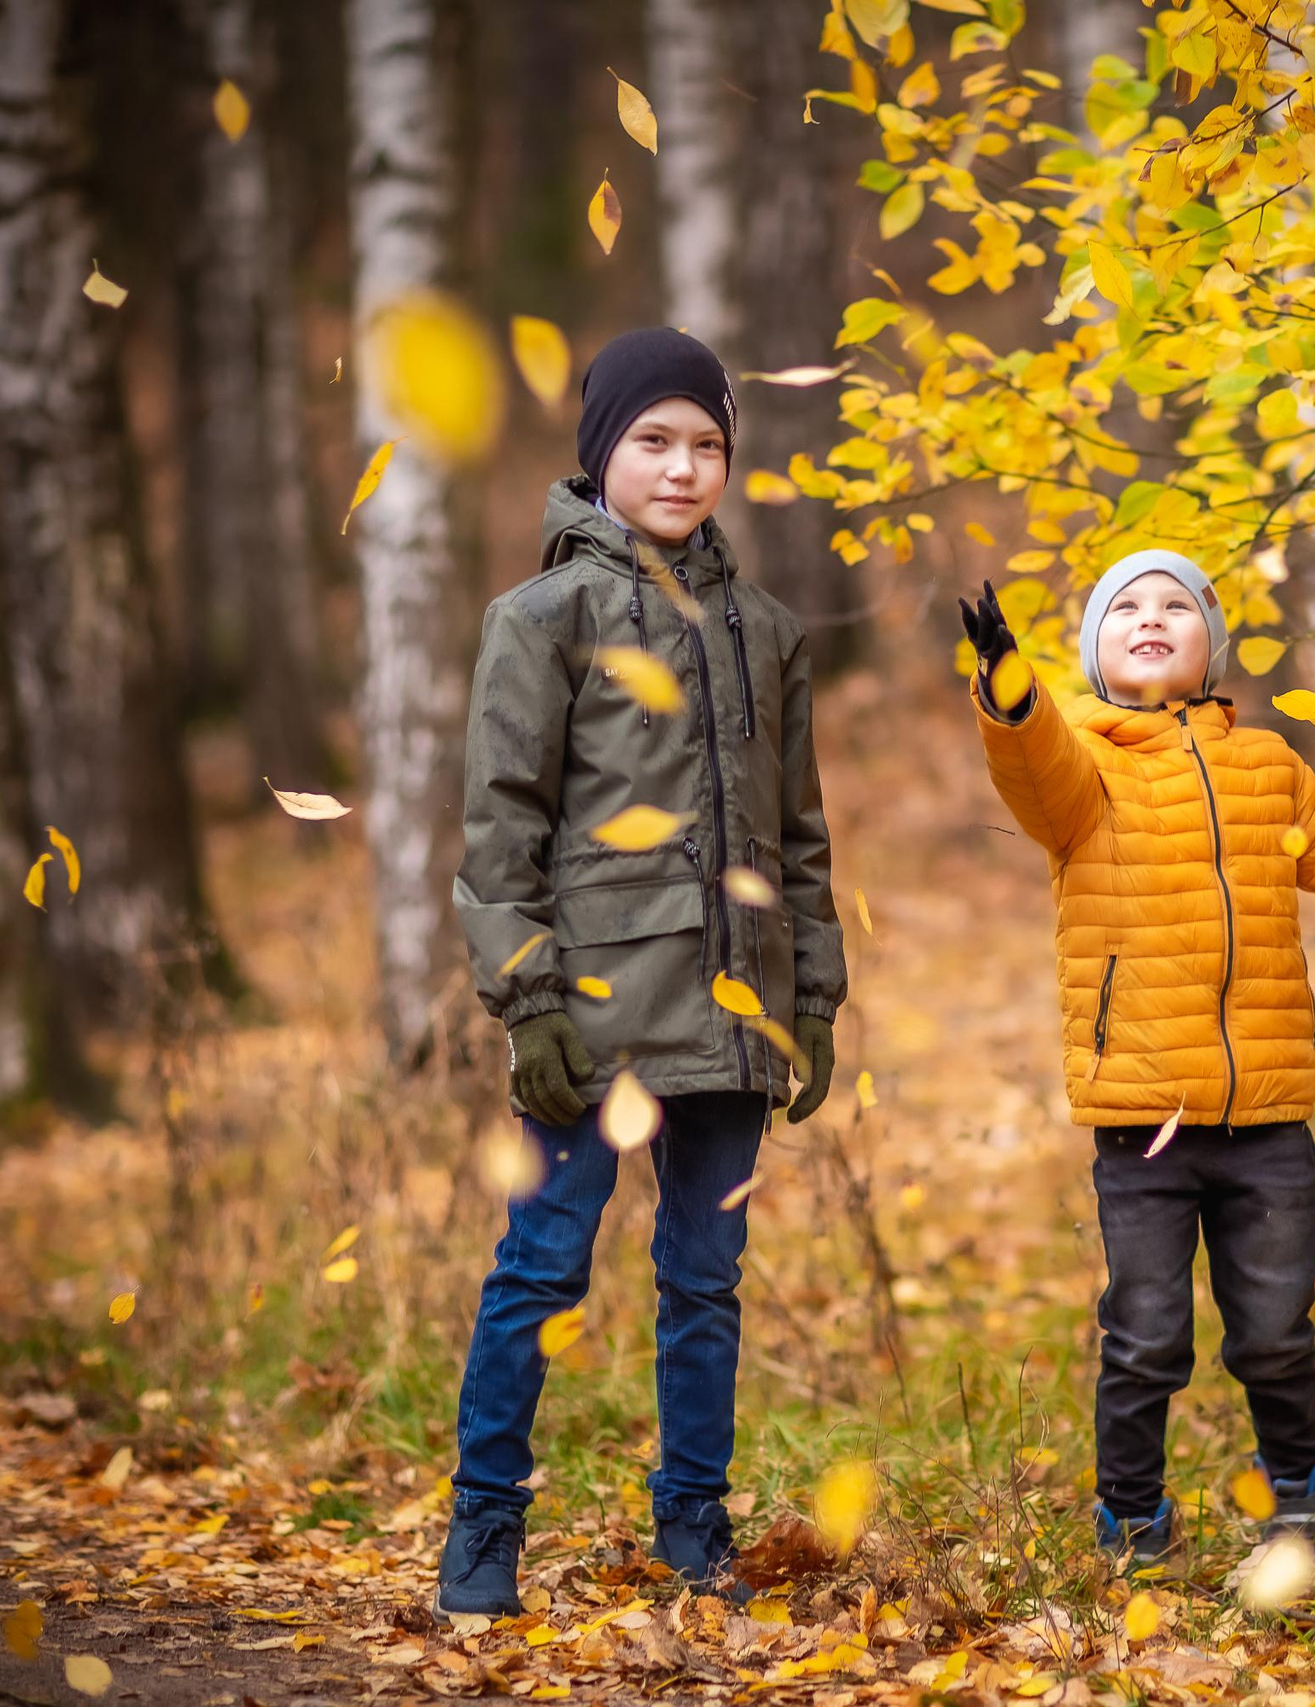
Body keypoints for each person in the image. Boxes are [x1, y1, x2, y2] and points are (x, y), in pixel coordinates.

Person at [959, 552, 1315, 1576]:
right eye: (1124, 608)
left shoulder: (1266, 765)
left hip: (1269, 1121)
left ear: (1209, 643)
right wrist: (1011, 688)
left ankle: (1299, 1509)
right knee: (1145, 1337)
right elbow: (1032, 760)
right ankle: (1132, 1522)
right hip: (1144, 1119)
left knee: (1274, 1334)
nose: (1149, 618)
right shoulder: (1084, 767)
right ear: (1094, 652)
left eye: (1174, 605)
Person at [437, 327, 847, 1617]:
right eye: (654, 441)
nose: (682, 468)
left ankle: (693, 1527)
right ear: (601, 453)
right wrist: (530, 998)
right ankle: (483, 1530)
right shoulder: (538, 618)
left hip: (733, 1014)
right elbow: (501, 829)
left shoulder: (768, 630)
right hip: (595, 1014)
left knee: (704, 1278)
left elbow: (799, 840)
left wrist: (814, 1000)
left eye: (708, 444)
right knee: (543, 1266)